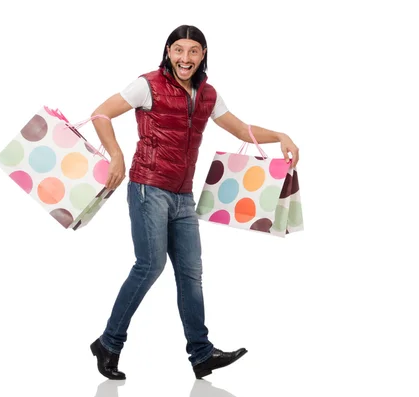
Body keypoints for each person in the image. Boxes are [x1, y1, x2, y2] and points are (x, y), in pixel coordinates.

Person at [88, 25, 300, 380]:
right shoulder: (148, 84)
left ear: (203, 55)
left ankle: (201, 355)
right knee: (150, 265)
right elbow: (100, 113)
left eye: (194, 51)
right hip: (148, 188)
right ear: (168, 51)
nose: (185, 58)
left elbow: (239, 128)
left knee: (191, 274)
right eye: (179, 50)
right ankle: (109, 343)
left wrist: (281, 136)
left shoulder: (208, 94)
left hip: (183, 195)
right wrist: (116, 155)